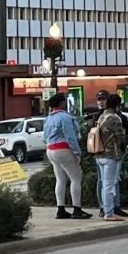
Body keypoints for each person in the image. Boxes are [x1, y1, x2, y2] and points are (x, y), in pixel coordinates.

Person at [89, 92, 128, 220]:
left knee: (104, 184)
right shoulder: (114, 118)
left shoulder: (102, 116)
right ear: (117, 105)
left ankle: (105, 209)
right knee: (110, 185)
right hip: (111, 155)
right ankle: (109, 213)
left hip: (99, 154)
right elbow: (121, 137)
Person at [43, 91, 86, 219]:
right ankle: (77, 209)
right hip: (64, 149)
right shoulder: (65, 118)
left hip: (51, 149)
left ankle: (60, 209)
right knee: (76, 178)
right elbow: (70, 137)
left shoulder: (48, 118)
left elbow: (45, 136)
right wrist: (78, 153)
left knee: (60, 179)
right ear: (62, 103)